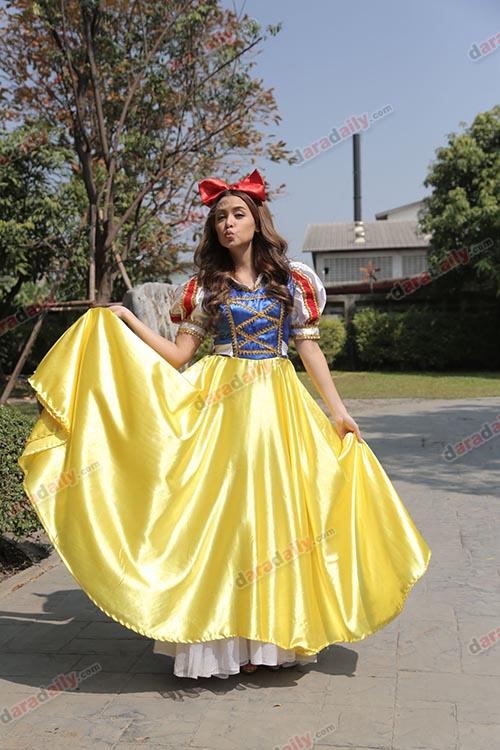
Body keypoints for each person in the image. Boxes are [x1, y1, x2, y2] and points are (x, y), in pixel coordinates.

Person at [18, 168, 431, 681]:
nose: (228, 223)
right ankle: (219, 640)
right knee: (222, 516)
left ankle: (273, 639)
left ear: (257, 220)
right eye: (219, 217)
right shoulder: (203, 287)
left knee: (277, 516)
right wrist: (127, 320)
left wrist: (338, 410)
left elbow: (308, 348)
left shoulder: (291, 280)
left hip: (278, 406)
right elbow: (178, 356)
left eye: (237, 214)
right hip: (220, 405)